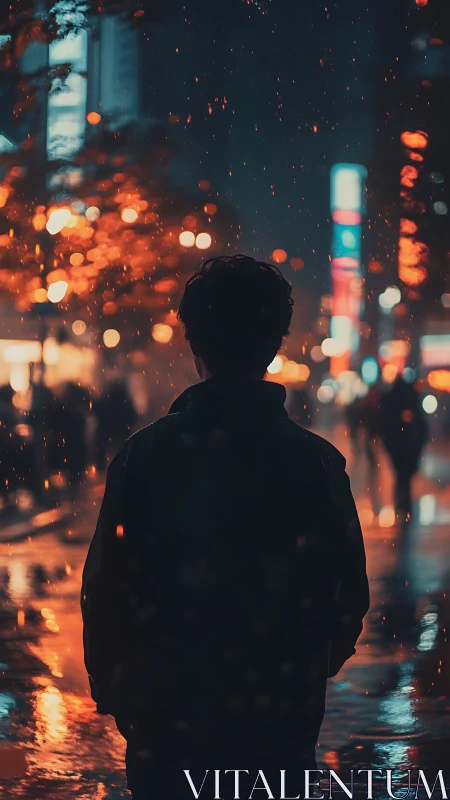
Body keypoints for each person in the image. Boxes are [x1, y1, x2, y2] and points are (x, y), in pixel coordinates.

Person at [82, 255, 369, 799]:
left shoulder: (146, 455)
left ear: (194, 340)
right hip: (279, 715)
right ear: (276, 342)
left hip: (167, 711)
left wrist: (120, 688)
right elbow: (346, 595)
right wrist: (303, 668)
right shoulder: (315, 462)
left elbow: (106, 586)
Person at [379, 375, 428, 521]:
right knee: (404, 477)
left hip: (400, 446)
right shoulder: (411, 405)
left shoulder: (392, 405)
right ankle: (404, 504)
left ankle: (402, 504)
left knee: (401, 476)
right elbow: (422, 429)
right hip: (407, 447)